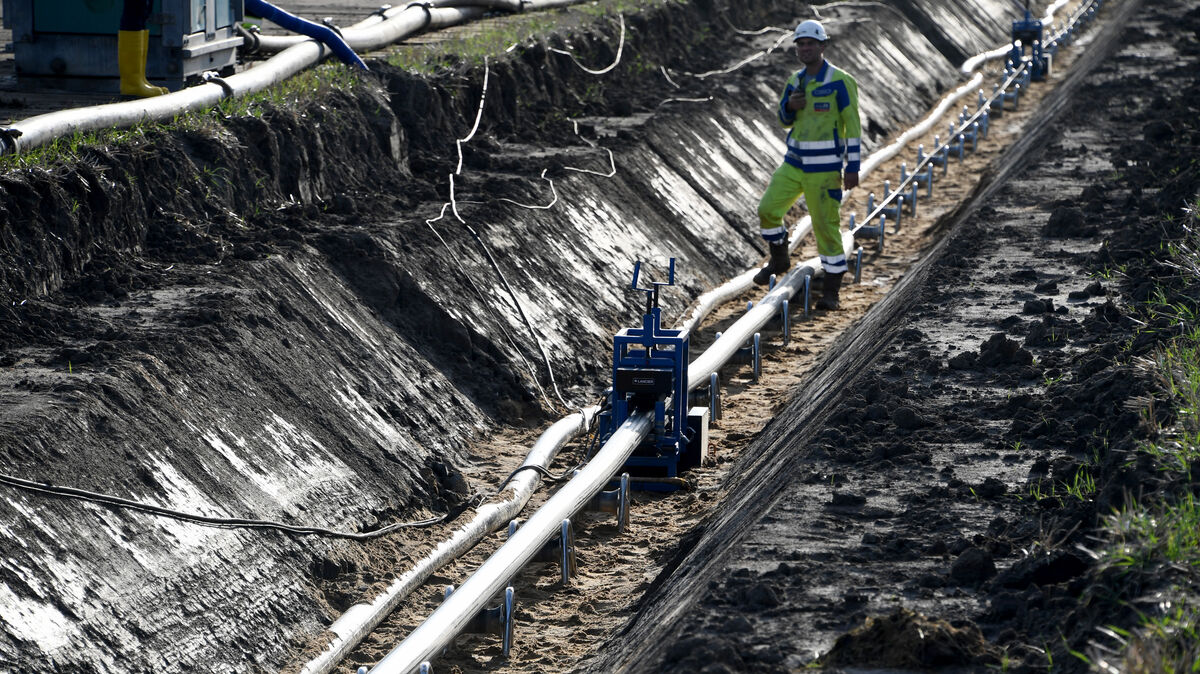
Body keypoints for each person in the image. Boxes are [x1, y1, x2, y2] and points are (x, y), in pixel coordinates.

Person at [753, 19, 861, 311]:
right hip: (794, 164)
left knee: (826, 228)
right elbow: (783, 119)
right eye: (801, 44)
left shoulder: (840, 81)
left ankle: (831, 294)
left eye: (811, 43)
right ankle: (779, 258)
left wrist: (853, 166)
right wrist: (790, 106)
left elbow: (852, 126)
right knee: (767, 210)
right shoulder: (795, 81)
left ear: (822, 45)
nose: (805, 48)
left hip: (825, 170)